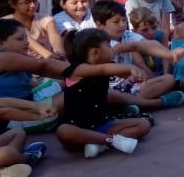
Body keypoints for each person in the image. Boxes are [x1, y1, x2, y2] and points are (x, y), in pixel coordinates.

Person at [55, 28, 153, 157]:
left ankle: (99, 144)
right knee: (63, 131)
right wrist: (130, 67)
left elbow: (118, 72)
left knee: (143, 125)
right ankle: (109, 141)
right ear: (96, 52)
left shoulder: (108, 65)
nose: (112, 49)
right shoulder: (78, 69)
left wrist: (132, 77)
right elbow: (103, 70)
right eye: (109, 46)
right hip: (79, 130)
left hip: (102, 125)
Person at [0, 0, 64, 59]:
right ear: (13, 4)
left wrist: (59, 54)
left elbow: (54, 37)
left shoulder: (46, 20)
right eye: (27, 2)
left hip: (46, 64)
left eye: (35, 1)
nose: (32, 5)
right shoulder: (5, 22)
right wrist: (49, 56)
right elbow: (28, 39)